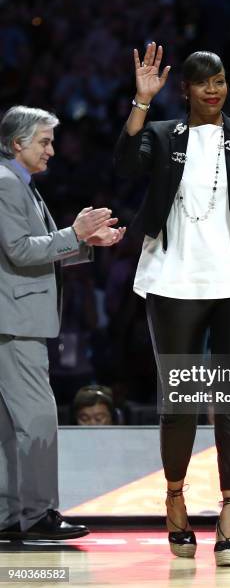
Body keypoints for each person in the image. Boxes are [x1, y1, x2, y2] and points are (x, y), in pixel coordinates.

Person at [114, 43, 230, 566]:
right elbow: (126, 166)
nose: (214, 90)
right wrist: (141, 103)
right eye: (203, 82)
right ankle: (175, 497)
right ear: (185, 89)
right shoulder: (162, 133)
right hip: (174, 278)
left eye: (220, 80)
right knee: (181, 403)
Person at [0, 105, 125, 541]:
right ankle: (37, 516)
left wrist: (86, 241)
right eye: (45, 141)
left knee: (9, 424)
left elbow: (27, 250)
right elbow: (20, 250)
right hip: (15, 322)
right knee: (37, 419)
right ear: (18, 144)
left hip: (12, 320)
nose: (52, 150)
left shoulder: (19, 183)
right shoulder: (6, 183)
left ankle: (9, 515)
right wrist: (75, 233)